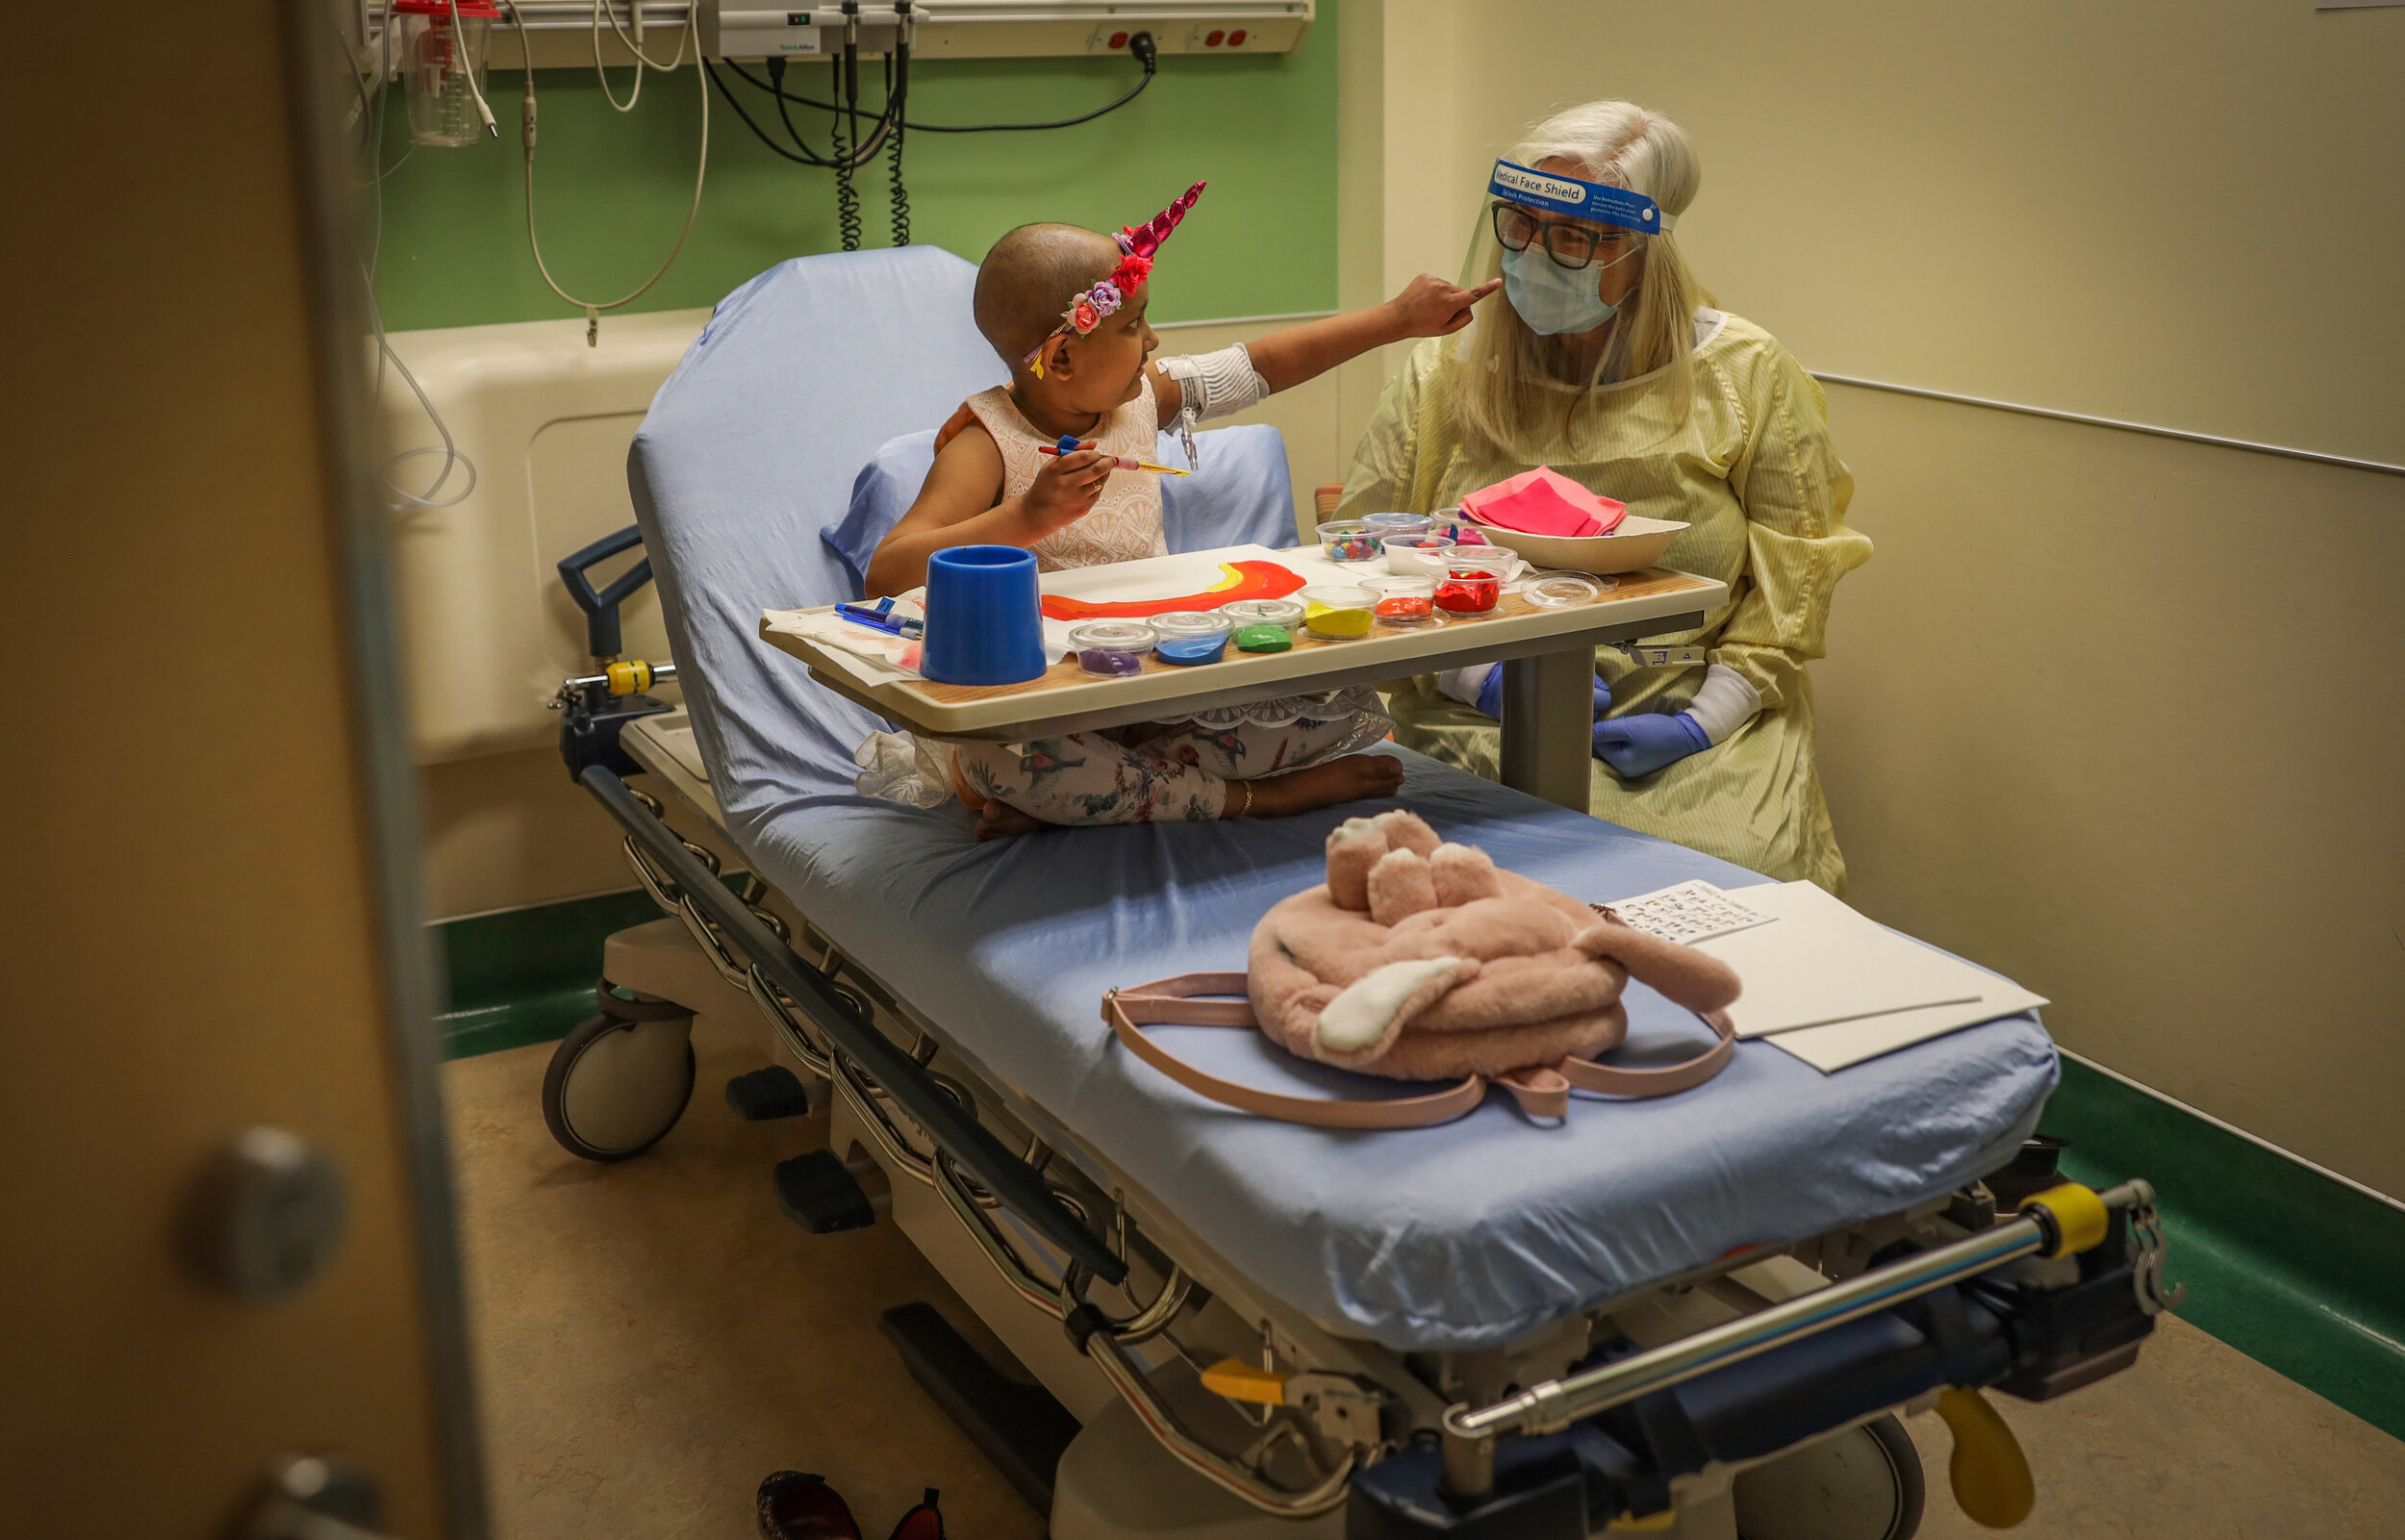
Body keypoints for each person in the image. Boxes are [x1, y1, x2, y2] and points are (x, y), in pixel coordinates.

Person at [1340, 103, 1872, 891]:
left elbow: (1796, 578)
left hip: (1698, 736)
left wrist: (1704, 720)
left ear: (1645, 246)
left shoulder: (1746, 376)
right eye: (1519, 223)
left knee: (1728, 899)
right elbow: (1368, 554)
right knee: (1459, 900)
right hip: (1472, 731)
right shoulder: (1446, 376)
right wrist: (1474, 675)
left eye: (1575, 237)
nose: (1536, 254)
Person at [862, 182, 1496, 841]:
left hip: (1154, 690)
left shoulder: (1144, 400)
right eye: (1133, 324)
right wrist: (1027, 517)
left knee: (1339, 707)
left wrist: (1397, 319)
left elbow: (1264, 365)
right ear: (1064, 356)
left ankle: (1108, 794)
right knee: (1011, 764)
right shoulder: (987, 442)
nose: (1153, 339)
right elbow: (888, 573)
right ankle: (1254, 798)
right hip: (1040, 711)